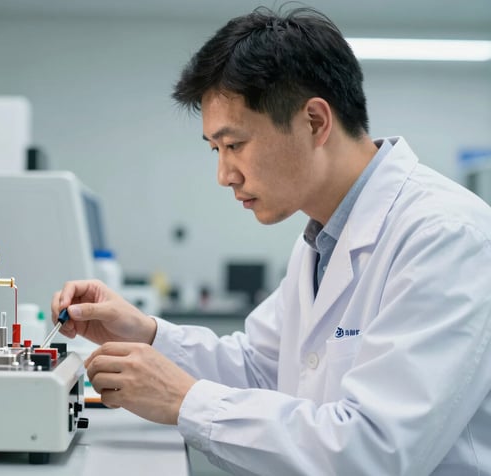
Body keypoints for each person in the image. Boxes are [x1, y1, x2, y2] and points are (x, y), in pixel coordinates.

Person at [51, 6, 491, 476]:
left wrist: (183, 400)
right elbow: (263, 368)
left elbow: (374, 451)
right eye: (215, 150)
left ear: (315, 122)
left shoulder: (445, 236)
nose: (224, 175)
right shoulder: (321, 239)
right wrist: (147, 334)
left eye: (235, 145)